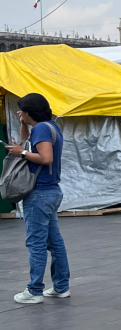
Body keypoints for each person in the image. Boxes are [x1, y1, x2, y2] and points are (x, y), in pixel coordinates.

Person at [5, 93, 70, 304]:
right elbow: (27, 141)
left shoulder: (41, 128)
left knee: (36, 243)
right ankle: (61, 286)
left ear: (28, 112)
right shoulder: (49, 126)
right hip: (51, 191)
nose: (20, 114)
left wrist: (22, 153)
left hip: (39, 192)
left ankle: (34, 290)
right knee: (54, 242)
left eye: (22, 111)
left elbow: (45, 157)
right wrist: (23, 126)